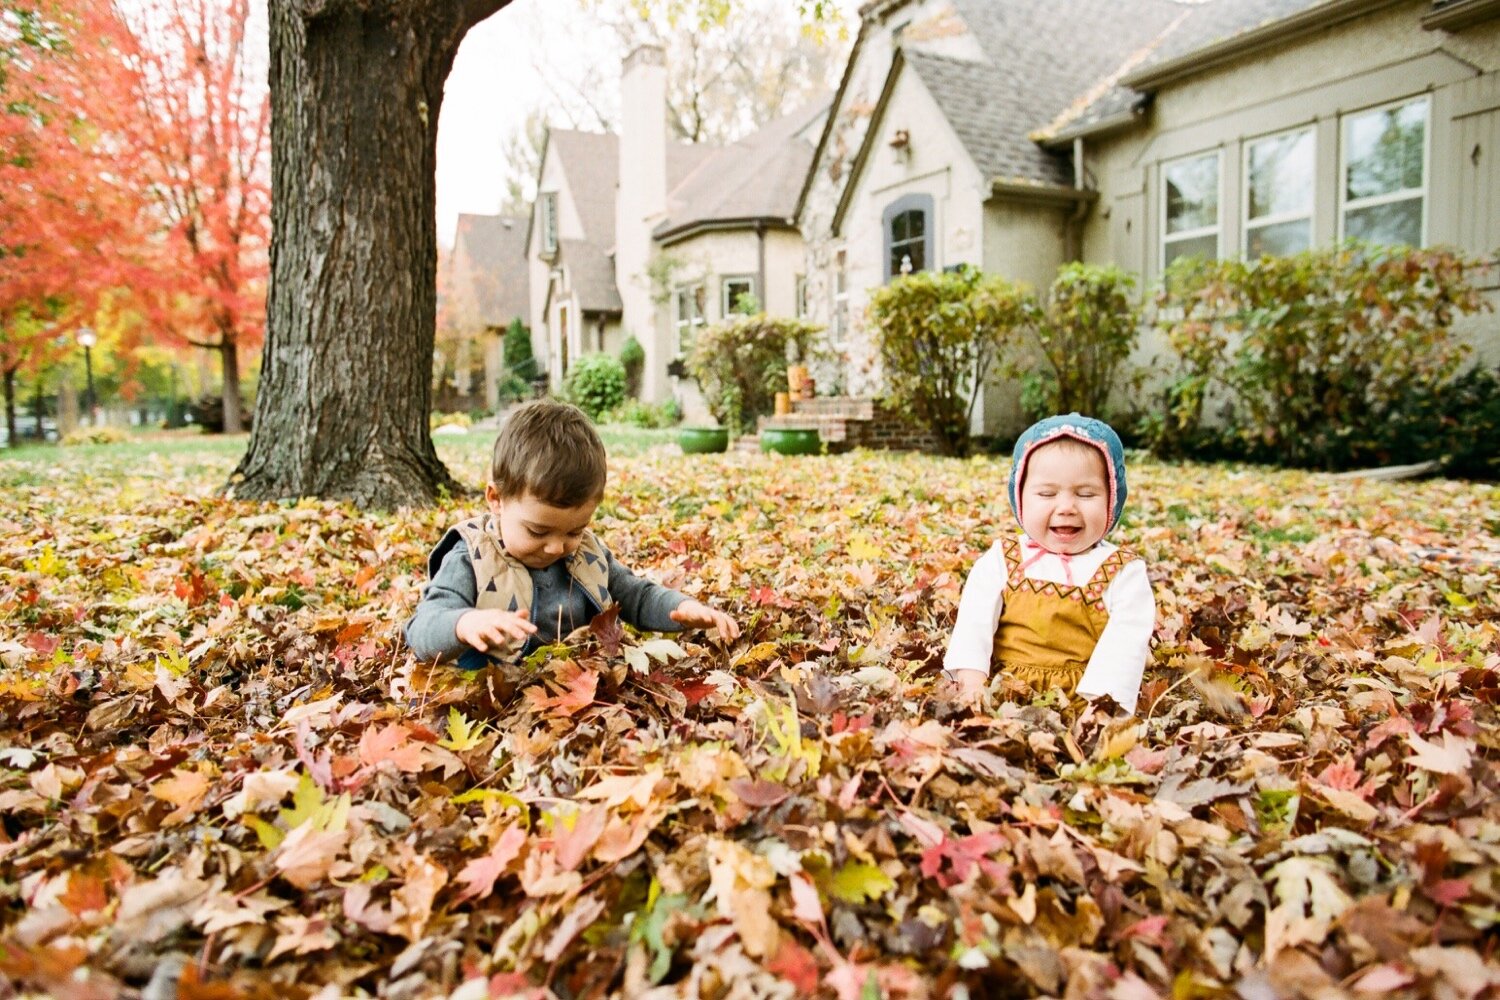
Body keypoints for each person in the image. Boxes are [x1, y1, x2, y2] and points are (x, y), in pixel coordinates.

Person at [405, 399, 740, 669]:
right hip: (493, 692)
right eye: (538, 530)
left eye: (574, 530)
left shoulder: (587, 555)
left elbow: (637, 597)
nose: (556, 547)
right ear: (497, 500)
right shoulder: (471, 556)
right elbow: (423, 628)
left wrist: (683, 608)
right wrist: (464, 624)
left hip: (578, 683)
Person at [944, 413, 1155, 713]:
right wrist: (971, 683)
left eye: (1086, 494)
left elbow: (1124, 646)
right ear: (1021, 498)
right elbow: (973, 626)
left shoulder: (1122, 571)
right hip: (1004, 692)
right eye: (1046, 493)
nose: (1066, 507)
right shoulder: (1003, 559)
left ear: (1112, 500)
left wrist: (1102, 709)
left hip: (1081, 700)